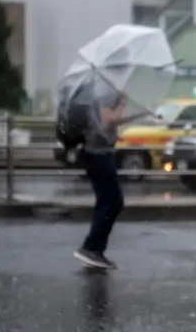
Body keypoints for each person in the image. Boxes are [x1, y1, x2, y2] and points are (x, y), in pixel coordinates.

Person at [73, 73, 150, 269]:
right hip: (98, 154)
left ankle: (94, 249)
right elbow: (108, 120)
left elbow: (111, 120)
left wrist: (140, 114)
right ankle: (91, 248)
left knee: (106, 201)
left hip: (94, 153)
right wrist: (122, 102)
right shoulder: (105, 89)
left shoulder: (100, 88)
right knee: (113, 201)